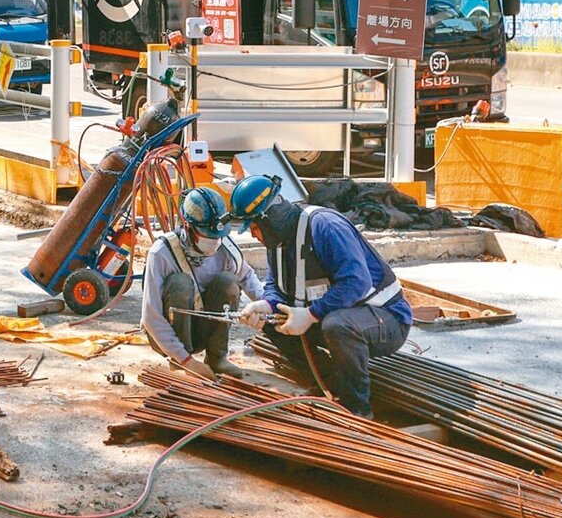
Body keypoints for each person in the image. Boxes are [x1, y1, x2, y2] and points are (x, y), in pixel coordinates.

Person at [230, 175, 412, 419]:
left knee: (337, 325)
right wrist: (267, 304)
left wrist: (310, 314)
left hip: (386, 320)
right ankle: (330, 384)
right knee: (273, 322)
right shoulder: (279, 240)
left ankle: (357, 410)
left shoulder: (325, 226)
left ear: (269, 219)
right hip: (341, 317)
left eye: (253, 228)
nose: (253, 236)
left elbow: (356, 283)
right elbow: (275, 284)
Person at [140, 186, 264, 381]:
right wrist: (187, 361)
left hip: (204, 328)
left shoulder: (226, 247)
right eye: (208, 236)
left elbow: (248, 279)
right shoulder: (162, 253)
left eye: (218, 236)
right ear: (189, 227)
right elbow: (151, 317)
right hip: (172, 335)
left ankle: (217, 358)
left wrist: (270, 306)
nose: (214, 242)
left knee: (229, 281)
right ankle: (179, 362)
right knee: (180, 283)